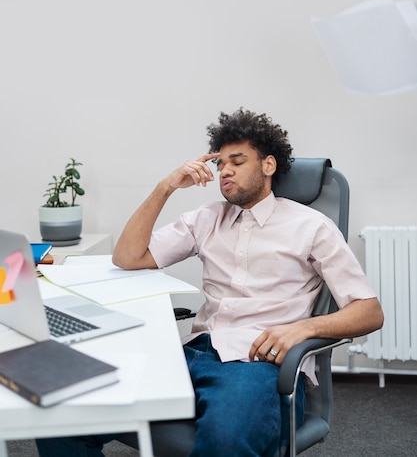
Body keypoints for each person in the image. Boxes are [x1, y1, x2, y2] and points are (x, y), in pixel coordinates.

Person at [36, 108, 383, 457]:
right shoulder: (207, 218)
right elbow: (127, 257)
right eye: (220, 164)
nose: (225, 171)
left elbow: (368, 312)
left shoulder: (312, 227)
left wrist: (301, 329)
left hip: (256, 364)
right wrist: (166, 187)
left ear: (268, 165)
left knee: (224, 441)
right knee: (64, 410)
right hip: (192, 353)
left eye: (237, 161)